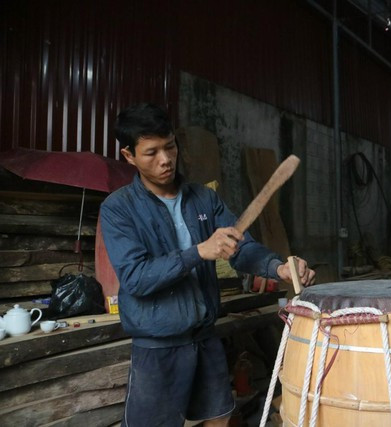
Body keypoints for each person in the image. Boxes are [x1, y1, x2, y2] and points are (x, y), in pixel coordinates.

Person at [100, 103, 315, 427]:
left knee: (218, 420)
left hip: (205, 338)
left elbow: (240, 248)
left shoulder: (203, 199)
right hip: (158, 347)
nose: (165, 159)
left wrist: (277, 268)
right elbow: (136, 278)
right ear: (129, 156)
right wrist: (198, 252)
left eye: (170, 146)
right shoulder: (119, 209)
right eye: (151, 152)